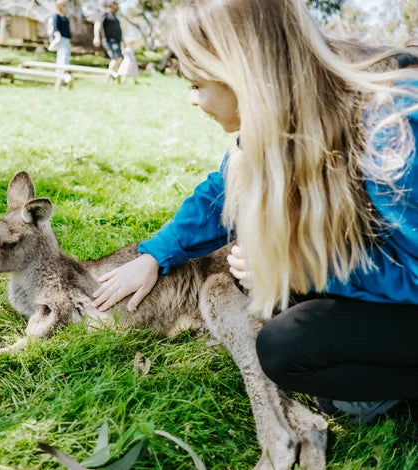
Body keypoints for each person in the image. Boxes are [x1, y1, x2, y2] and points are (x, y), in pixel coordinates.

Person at [92, 0, 418, 423]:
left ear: (241, 74)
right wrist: (155, 254)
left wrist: (306, 268)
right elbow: (223, 190)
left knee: (286, 348)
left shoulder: (390, 133)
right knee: (273, 300)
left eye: (196, 83)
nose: (193, 100)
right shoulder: (287, 109)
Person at [93, 0, 123, 79]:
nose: (117, 5)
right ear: (111, 4)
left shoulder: (114, 16)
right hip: (110, 40)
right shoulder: (105, 13)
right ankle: (108, 77)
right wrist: (96, 37)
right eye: (115, 3)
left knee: (119, 58)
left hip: (116, 41)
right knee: (116, 58)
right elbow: (97, 24)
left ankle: (112, 76)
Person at [49, 0, 72, 67]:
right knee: (63, 54)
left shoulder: (64, 16)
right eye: (64, 5)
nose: (65, 7)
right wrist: (58, 38)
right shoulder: (56, 16)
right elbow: (56, 28)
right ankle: (61, 71)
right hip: (61, 38)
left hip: (66, 38)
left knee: (66, 54)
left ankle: (65, 70)